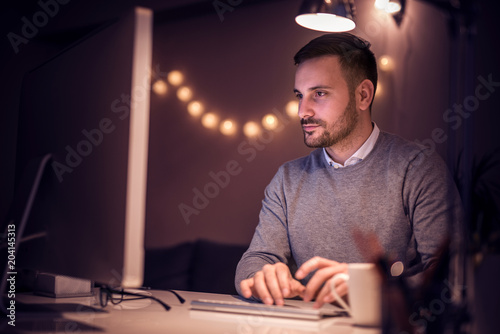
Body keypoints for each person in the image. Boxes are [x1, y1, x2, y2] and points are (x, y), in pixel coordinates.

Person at [234, 32, 463, 309]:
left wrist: (369, 286)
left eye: (319, 94)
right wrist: (262, 276)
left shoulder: (418, 168)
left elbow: (452, 276)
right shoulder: (287, 179)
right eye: (299, 95)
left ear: (363, 95)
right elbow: (254, 261)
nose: (301, 111)